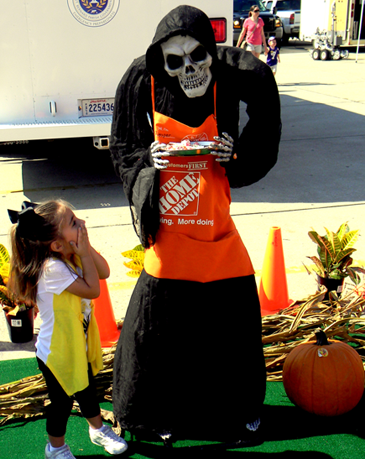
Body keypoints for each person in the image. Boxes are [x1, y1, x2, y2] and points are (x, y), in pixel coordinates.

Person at [110, 5, 281, 445]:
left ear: (211, 52)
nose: (189, 70)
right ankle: (149, 414)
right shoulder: (141, 79)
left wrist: (237, 153)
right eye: (175, 61)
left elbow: (264, 92)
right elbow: (124, 144)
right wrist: (150, 162)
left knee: (234, 331)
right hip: (170, 239)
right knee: (154, 331)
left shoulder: (232, 71)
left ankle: (239, 411)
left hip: (218, 233)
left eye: (196, 57)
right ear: (160, 61)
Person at [8, 200, 128, 459]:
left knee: (85, 388)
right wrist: (83, 253)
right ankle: (56, 447)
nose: (82, 223)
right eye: (74, 223)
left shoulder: (67, 254)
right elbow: (93, 290)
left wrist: (84, 248)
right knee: (61, 404)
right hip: (57, 354)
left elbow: (104, 272)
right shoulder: (53, 268)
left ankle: (97, 429)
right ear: (57, 245)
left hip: (76, 344)